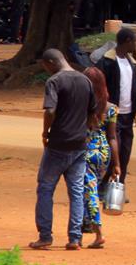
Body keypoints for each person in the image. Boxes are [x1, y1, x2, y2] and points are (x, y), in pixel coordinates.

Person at [31, 49, 97, 251]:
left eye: (45, 65)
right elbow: (92, 113)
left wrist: (45, 132)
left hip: (58, 144)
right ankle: (75, 238)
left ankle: (45, 236)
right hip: (79, 144)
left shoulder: (55, 81)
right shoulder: (85, 81)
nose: (45, 69)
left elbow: (50, 110)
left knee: (45, 188)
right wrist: (84, 132)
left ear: (51, 62)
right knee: (76, 191)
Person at [96, 27, 136, 189]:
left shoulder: (132, 63)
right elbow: (98, 86)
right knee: (114, 152)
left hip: (128, 116)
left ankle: (119, 185)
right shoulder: (107, 62)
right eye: (134, 41)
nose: (135, 45)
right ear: (127, 41)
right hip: (112, 116)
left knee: (125, 152)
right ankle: (105, 185)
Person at [81, 66, 120, 249]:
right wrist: (116, 164)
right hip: (103, 152)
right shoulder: (110, 108)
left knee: (90, 193)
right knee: (89, 189)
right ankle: (85, 223)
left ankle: (98, 233)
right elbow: (112, 137)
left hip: (86, 151)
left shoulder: (83, 106)